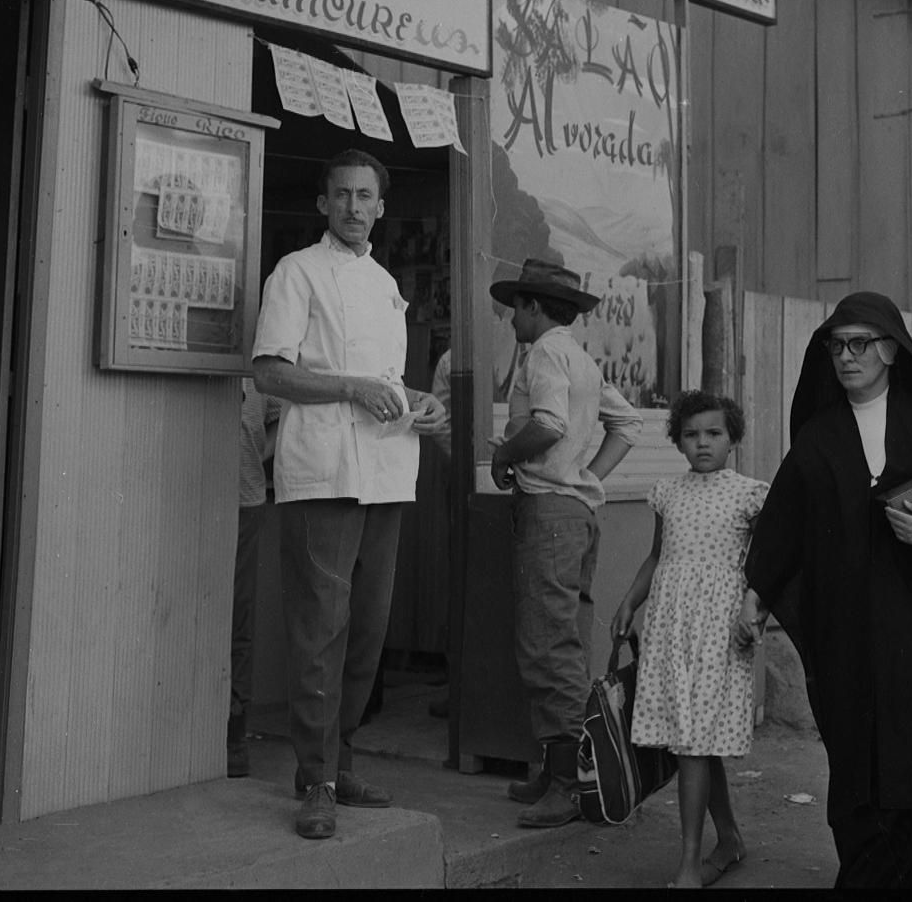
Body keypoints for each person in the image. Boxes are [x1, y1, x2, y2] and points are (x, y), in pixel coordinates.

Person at [743, 291, 912, 889]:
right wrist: (756, 593)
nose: (845, 356)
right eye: (836, 345)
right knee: (856, 766)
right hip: (846, 633)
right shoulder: (819, 436)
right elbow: (783, 522)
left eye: (859, 343)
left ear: (889, 349)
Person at [252, 148, 450, 841]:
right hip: (324, 470)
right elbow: (271, 372)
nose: (354, 207)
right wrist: (348, 386)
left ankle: (345, 760)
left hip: (389, 470)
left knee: (367, 630)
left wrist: (420, 401)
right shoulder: (296, 272)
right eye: (342, 195)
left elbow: (383, 378)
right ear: (323, 203)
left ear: (381, 206)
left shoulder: (387, 281)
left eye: (366, 196)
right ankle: (314, 779)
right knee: (319, 629)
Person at [487, 256, 642, 828]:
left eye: (515, 309)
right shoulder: (581, 358)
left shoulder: (546, 352)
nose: (510, 321)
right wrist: (590, 477)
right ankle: (568, 768)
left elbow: (548, 424)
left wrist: (505, 454)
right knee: (568, 637)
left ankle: (567, 781)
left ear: (532, 307)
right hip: (577, 511)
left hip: (550, 511)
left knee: (547, 644)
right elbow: (627, 426)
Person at [612, 390, 769, 889]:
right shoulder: (667, 492)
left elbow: (765, 568)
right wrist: (629, 601)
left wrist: (755, 614)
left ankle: (688, 864)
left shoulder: (750, 494)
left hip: (720, 627)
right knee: (693, 741)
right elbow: (657, 556)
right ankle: (729, 840)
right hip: (670, 624)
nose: (702, 443)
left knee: (695, 743)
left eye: (714, 433)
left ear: (733, 438)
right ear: (678, 441)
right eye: (691, 434)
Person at [226, 379, 280, 778]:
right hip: (197, 495)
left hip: (246, 500)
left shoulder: (263, 361)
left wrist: (257, 453)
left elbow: (283, 415)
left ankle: (234, 737)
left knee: (238, 620)